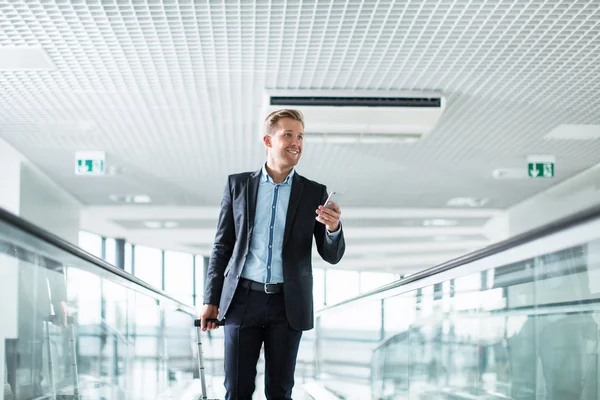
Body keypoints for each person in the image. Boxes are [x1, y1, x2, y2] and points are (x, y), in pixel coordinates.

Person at [201, 109, 346, 399]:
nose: (296, 142)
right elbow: (222, 246)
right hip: (242, 300)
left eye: (301, 136)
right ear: (268, 140)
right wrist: (210, 300)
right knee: (237, 390)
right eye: (288, 135)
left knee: (280, 392)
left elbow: (331, 254)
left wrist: (334, 228)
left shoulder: (314, 192)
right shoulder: (238, 185)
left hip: (288, 304)